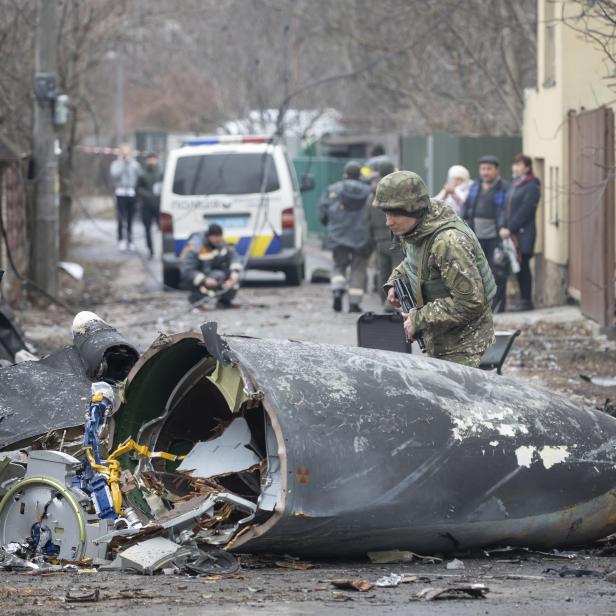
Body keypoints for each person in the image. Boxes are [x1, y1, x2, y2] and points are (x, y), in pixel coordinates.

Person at [374, 170, 496, 368]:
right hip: (440, 339)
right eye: (386, 213)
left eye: (395, 214)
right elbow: (416, 262)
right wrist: (395, 281)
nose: (389, 222)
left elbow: (470, 302)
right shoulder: (417, 229)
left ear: (413, 209)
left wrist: (418, 319)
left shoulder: (448, 242)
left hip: (464, 346)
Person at [318, 161, 372, 313]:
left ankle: (337, 289)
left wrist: (329, 225)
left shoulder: (333, 189)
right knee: (358, 268)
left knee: (339, 264)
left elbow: (322, 211)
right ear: (359, 174)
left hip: (338, 234)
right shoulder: (368, 192)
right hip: (361, 236)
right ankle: (354, 303)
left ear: (345, 174)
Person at [461, 155, 510, 312]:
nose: (485, 172)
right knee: (477, 272)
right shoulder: (475, 186)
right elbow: (466, 208)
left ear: (496, 170)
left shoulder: (504, 187)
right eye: (483, 169)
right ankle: (482, 305)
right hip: (476, 237)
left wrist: (503, 226)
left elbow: (506, 210)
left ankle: (498, 306)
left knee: (497, 272)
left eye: (489, 169)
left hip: (496, 237)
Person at [500, 154, 541, 311]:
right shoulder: (515, 184)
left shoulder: (532, 184)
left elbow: (527, 209)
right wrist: (503, 226)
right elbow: (506, 208)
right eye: (514, 164)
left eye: (519, 165)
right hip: (511, 232)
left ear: (528, 167)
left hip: (524, 233)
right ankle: (521, 299)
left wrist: (510, 228)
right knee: (517, 266)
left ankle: (526, 301)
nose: (514, 168)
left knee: (523, 266)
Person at [368, 160, 403, 311]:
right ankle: (390, 304)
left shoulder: (372, 194)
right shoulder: (397, 192)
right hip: (396, 237)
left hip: (379, 239)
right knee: (397, 271)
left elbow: (367, 217)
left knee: (382, 270)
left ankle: (384, 299)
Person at [179, 224, 242, 307]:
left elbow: (233, 256)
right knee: (218, 276)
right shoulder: (195, 245)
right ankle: (196, 300)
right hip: (200, 277)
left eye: (219, 237)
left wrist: (234, 274)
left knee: (234, 279)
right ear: (209, 236)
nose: (218, 240)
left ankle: (224, 302)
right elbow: (187, 270)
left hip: (216, 273)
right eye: (215, 237)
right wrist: (204, 280)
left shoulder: (221, 243)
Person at [110, 144, 141, 252]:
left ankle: (130, 240)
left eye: (128, 152)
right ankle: (121, 239)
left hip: (131, 193)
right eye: (124, 152)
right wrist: (124, 164)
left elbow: (138, 177)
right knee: (120, 217)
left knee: (130, 219)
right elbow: (114, 175)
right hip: (121, 192)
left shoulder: (135, 165)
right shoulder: (116, 164)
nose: (126, 155)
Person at [136, 152, 163, 259]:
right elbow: (137, 188)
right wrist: (147, 195)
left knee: (162, 229)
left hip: (159, 205)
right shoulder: (142, 173)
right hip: (146, 205)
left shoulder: (161, 173)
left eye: (153, 159)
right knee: (147, 229)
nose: (152, 161)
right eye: (149, 159)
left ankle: (163, 250)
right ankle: (150, 250)